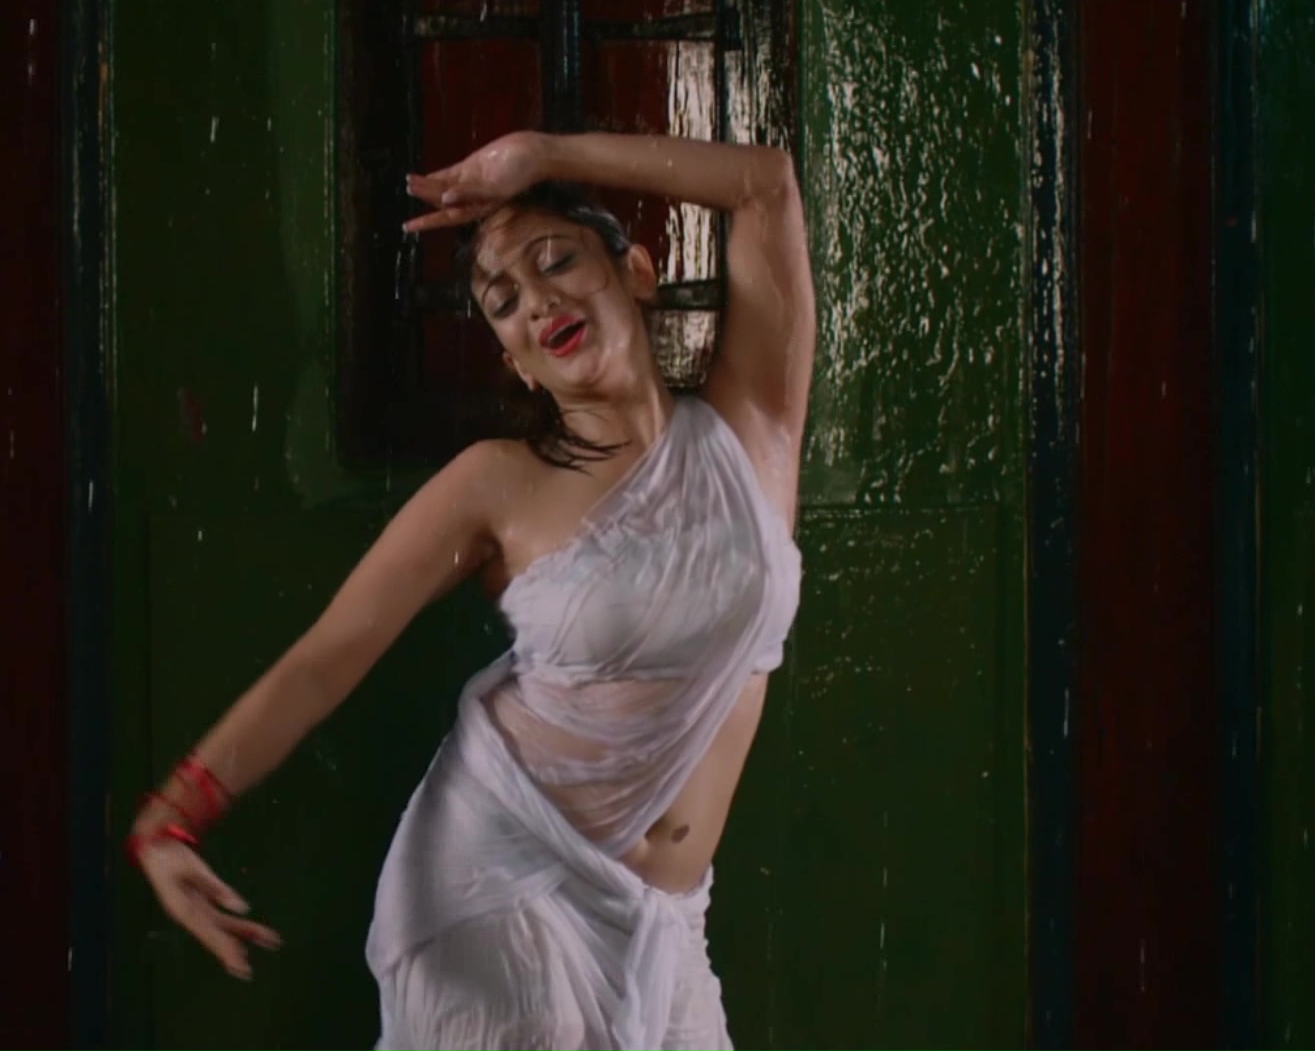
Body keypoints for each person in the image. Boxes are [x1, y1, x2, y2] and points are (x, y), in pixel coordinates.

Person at [128, 128, 817, 1051]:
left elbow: (765, 185)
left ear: (637, 271)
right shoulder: (497, 484)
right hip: (497, 887)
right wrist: (173, 819)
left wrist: (543, 155)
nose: (538, 302)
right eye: (505, 302)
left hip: (661, 923)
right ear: (516, 360)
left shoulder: (756, 426)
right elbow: (325, 660)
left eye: (557, 261)